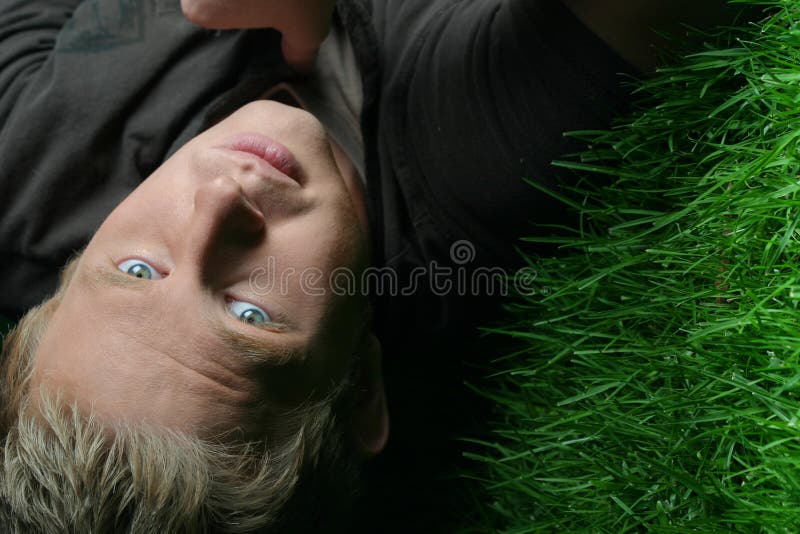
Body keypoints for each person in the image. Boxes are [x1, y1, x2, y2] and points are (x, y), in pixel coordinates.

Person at [0, 0, 748, 531]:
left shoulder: (29, 159)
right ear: (360, 384)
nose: (218, 203)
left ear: (59, 284)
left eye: (135, 271)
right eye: (248, 315)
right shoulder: (473, 161)